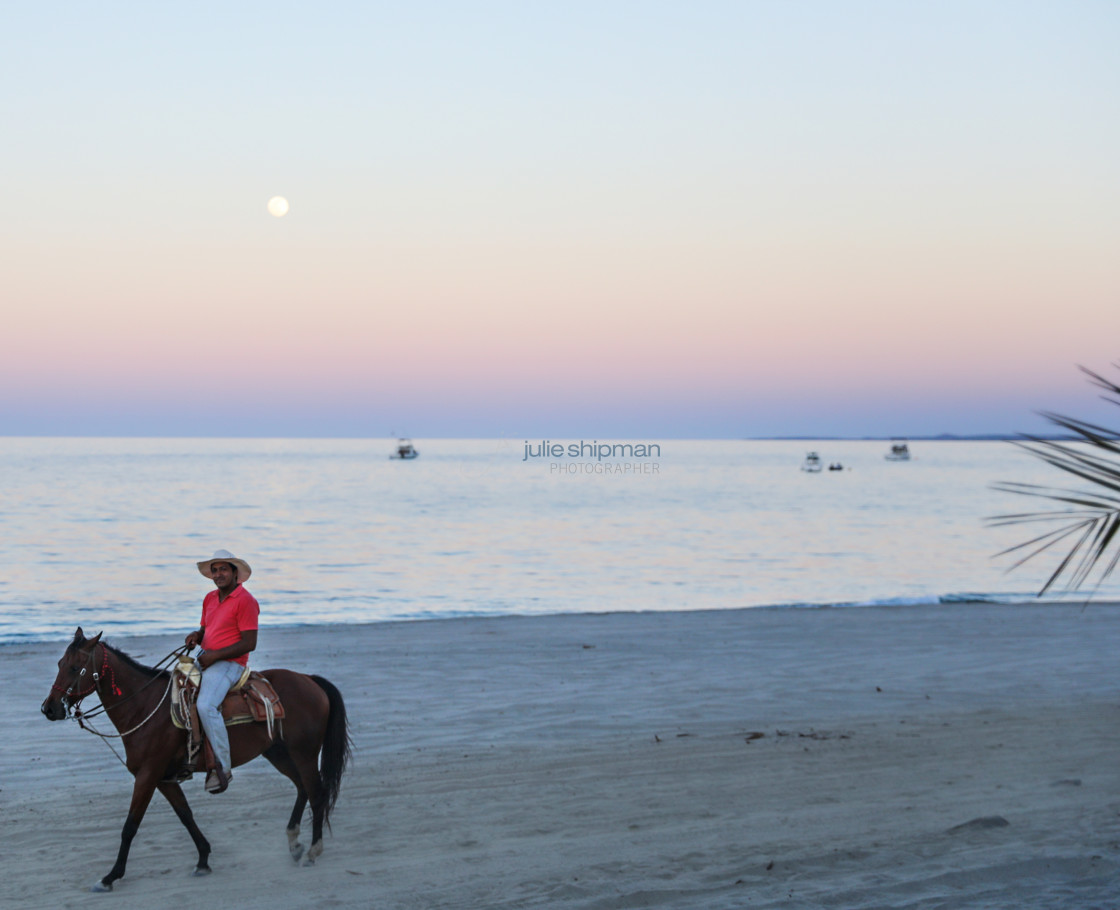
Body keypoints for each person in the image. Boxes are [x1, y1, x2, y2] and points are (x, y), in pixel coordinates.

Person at [184, 548, 259, 794]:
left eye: (223, 569)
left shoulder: (246, 601)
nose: (218, 574)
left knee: (206, 706)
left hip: (230, 664)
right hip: (207, 658)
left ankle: (222, 768)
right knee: (175, 692)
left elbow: (250, 643)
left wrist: (215, 655)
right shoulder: (209, 598)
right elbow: (206, 629)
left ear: (235, 572)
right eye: (214, 570)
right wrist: (197, 636)